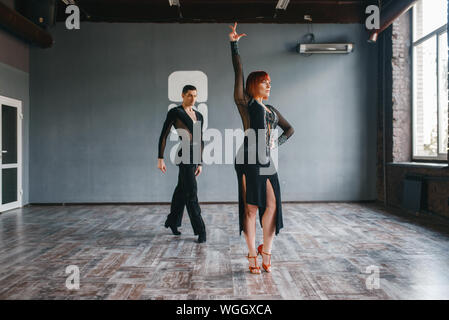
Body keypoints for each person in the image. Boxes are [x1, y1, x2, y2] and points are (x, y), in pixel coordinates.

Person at [228, 22, 294, 273]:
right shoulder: (245, 103)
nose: (269, 85)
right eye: (265, 82)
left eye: (270, 82)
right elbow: (238, 72)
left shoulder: (272, 110)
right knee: (251, 207)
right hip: (247, 158)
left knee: (273, 206)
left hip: (265, 159)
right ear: (254, 84)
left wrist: (276, 142)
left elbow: (290, 129)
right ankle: (251, 256)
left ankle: (265, 250)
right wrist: (234, 44)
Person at [157, 85, 207, 243]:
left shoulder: (199, 115)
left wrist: (200, 162)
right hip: (184, 156)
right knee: (191, 192)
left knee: (181, 191)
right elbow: (164, 135)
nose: (193, 99)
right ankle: (201, 230)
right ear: (183, 95)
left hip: (194, 157)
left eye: (195, 96)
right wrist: (160, 158)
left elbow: (200, 139)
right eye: (190, 95)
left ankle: (172, 221)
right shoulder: (176, 112)